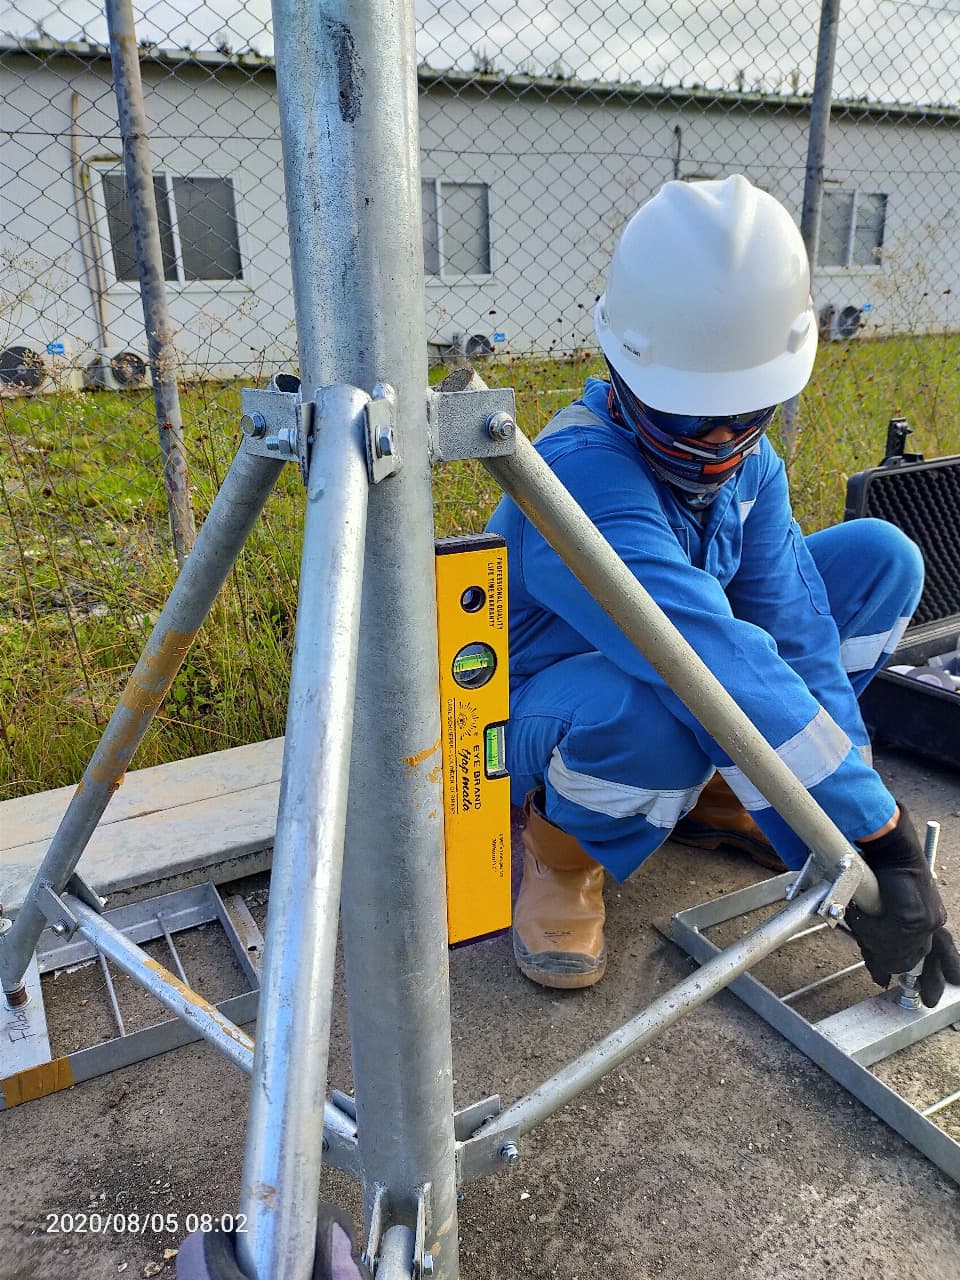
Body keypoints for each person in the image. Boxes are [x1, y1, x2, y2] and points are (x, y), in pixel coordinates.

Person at [486, 174, 960, 1007]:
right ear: (624, 370)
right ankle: (562, 857)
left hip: (678, 668)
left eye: (745, 412)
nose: (719, 440)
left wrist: (851, 831)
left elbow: (795, 633)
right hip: (539, 702)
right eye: (688, 414)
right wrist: (878, 833)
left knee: (882, 562)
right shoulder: (578, 476)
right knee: (656, 711)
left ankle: (719, 795)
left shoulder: (750, 465)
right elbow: (697, 656)